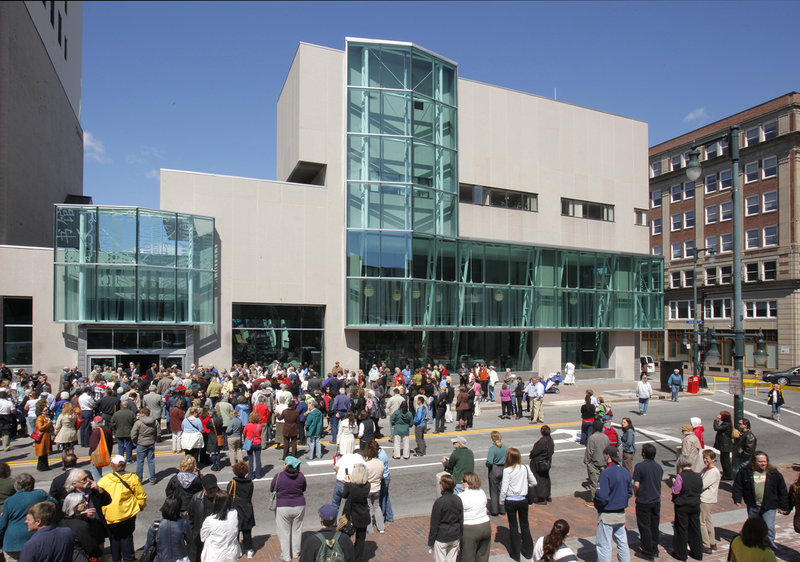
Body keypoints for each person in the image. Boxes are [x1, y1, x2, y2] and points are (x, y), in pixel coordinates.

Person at [732, 450, 790, 548]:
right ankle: (755, 545)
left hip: (769, 505)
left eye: (765, 461)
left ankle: (769, 546)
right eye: (761, 462)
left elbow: (782, 489)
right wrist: (737, 498)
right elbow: (738, 485)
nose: (763, 463)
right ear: (754, 462)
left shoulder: (773, 473)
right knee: (754, 527)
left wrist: (783, 506)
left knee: (769, 527)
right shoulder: (745, 471)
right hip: (753, 505)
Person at [98, 455, 147, 562]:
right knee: (127, 538)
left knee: (114, 540)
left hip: (111, 516)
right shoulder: (132, 478)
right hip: (128, 514)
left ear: (113, 465)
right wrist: (140, 506)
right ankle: (128, 558)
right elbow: (141, 495)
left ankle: (116, 559)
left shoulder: (105, 480)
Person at [0, 473, 55, 561]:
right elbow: (54, 504)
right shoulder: (40, 494)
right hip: (35, 539)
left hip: (13, 544)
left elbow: (2, 524)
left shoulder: (9, 501)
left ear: (16, 485)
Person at [594, 446, 632, 562]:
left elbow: (601, 496)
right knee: (622, 542)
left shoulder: (606, 473)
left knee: (604, 544)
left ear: (608, 456)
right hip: (620, 512)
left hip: (607, 513)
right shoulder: (625, 471)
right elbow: (629, 492)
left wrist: (598, 504)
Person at [500, 448, 536, 562]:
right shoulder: (525, 468)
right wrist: (525, 487)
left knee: (513, 527)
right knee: (525, 525)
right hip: (523, 500)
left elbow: (504, 489)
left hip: (510, 500)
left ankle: (515, 554)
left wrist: (501, 501)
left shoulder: (507, 471)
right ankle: (528, 552)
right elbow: (534, 482)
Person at [271, 455, 307, 561]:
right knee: (297, 530)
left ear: (286, 465)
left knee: (284, 532)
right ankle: (296, 553)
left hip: (283, 506)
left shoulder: (278, 476)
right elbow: (303, 488)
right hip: (299, 505)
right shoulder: (301, 476)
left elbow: (272, 488)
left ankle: (286, 556)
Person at [632, 443, 662, 561]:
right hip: (656, 499)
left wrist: (636, 494)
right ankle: (655, 548)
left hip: (644, 500)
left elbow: (636, 484)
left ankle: (647, 551)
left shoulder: (639, 467)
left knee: (644, 526)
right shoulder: (658, 467)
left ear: (643, 454)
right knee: (654, 525)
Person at [671, 457, 702, 561]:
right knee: (695, 528)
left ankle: (681, 554)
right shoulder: (698, 476)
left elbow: (676, 491)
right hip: (695, 504)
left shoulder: (680, 476)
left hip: (683, 505)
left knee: (681, 529)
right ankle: (697, 552)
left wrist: (674, 482)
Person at [142, 496, 191, 562]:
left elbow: (148, 547)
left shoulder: (156, 525)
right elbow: (190, 541)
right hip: (180, 559)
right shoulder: (183, 523)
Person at [59, 492, 104, 561]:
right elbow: (90, 545)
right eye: (82, 502)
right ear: (75, 506)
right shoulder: (81, 525)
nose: (86, 503)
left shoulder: (61, 521)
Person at [427, 474, 463, 562]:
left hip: (442, 537)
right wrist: (461, 535)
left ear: (443, 486)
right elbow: (461, 519)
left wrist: (431, 542)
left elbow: (434, 524)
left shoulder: (439, 502)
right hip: (455, 535)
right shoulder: (458, 499)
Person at [199, 491, 241, 562]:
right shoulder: (234, 513)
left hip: (215, 556)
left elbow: (203, 538)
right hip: (231, 555)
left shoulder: (210, 520)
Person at [226, 461, 255, 558]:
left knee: (236, 531)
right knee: (247, 531)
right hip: (247, 508)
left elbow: (228, 496)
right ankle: (249, 550)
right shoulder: (250, 483)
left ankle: (237, 552)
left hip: (236, 509)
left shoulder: (232, 483)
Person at [459, 472, 491, 562]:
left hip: (470, 528)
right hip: (485, 526)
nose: (461, 482)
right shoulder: (482, 492)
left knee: (468, 557)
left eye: (464, 481)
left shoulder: (462, 496)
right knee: (483, 556)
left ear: (469, 482)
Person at [342, 463, 370, 561]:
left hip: (350, 515)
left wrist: (346, 481)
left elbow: (344, 495)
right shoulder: (367, 485)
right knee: (361, 539)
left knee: (344, 537)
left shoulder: (350, 486)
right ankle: (357, 558)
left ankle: (346, 557)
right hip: (363, 515)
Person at [187, 474, 218, 562]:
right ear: (203, 488)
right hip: (199, 537)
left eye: (213, 488)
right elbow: (191, 518)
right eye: (208, 489)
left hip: (216, 538)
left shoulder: (223, 498)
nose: (211, 491)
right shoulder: (196, 498)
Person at [130, 407, 161, 484]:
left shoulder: (138, 422)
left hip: (141, 443)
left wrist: (135, 441)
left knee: (140, 462)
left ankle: (139, 479)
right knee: (151, 461)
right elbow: (158, 431)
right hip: (150, 442)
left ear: (143, 414)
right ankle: (152, 478)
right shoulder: (155, 421)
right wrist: (155, 438)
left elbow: (133, 434)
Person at [699, 450, 721, 554]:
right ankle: (712, 542)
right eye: (704, 458)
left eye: (707, 458)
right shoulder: (705, 469)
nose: (705, 460)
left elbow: (702, 485)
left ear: (713, 459)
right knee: (708, 520)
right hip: (706, 498)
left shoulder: (713, 472)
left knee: (701, 521)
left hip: (706, 499)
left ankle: (705, 544)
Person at [584, 420, 609, 506]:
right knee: (604, 482)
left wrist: (587, 461)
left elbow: (589, 451)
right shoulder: (606, 437)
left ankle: (594, 500)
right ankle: (604, 497)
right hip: (604, 462)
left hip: (595, 463)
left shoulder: (592, 438)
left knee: (594, 483)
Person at [529, 425, 554, 504]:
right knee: (545, 478)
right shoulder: (550, 440)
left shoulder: (542, 441)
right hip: (546, 462)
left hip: (539, 463)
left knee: (539, 479)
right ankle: (547, 495)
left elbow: (535, 451)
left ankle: (541, 497)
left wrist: (531, 455)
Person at [486, 431, 508, 516]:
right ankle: (502, 509)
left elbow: (489, 461)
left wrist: (487, 465)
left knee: (494, 490)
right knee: (501, 490)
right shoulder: (505, 447)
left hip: (494, 469)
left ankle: (495, 510)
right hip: (503, 468)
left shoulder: (492, 449)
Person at [713, 411, 734, 480]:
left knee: (726, 461)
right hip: (724, 445)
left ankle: (728, 475)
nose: (719, 416)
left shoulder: (726, 424)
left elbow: (716, 428)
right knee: (723, 460)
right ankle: (726, 474)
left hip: (725, 445)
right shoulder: (726, 424)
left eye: (721, 415)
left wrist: (716, 420)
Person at [242, 412, 263, 480]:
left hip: (250, 443)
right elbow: (260, 433)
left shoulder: (247, 426)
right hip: (257, 443)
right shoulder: (259, 426)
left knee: (250, 459)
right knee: (258, 459)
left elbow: (244, 433)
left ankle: (250, 475)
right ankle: (258, 474)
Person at [33, 404, 54, 471]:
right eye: (45, 410)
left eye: (47, 410)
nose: (47, 411)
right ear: (41, 411)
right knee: (42, 453)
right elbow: (40, 428)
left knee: (45, 453)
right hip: (42, 438)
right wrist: (48, 424)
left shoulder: (46, 417)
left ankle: (45, 466)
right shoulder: (40, 418)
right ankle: (42, 466)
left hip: (46, 436)